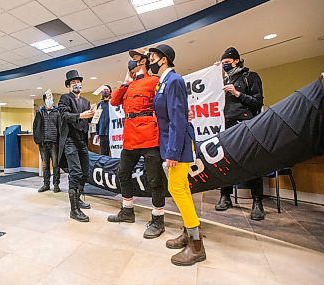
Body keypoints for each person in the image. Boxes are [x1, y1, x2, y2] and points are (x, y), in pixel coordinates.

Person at [150, 44, 206, 266]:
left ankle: (197, 245)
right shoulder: (163, 83)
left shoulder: (174, 81)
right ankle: (188, 231)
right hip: (171, 143)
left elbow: (177, 119)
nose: (150, 61)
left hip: (179, 145)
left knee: (176, 188)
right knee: (181, 188)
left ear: (163, 60)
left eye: (153, 57)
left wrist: (173, 151)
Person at [107, 49, 168, 239]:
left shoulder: (154, 81)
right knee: (122, 173)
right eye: (131, 61)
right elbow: (115, 101)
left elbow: (164, 104)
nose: (132, 63)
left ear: (145, 62)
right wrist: (126, 80)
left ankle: (158, 219)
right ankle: (127, 211)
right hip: (130, 136)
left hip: (149, 135)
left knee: (154, 179)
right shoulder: (129, 85)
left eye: (136, 60)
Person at [214, 47, 265, 221]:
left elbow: (258, 103)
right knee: (226, 162)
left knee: (252, 162)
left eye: (227, 63)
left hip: (246, 124)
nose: (225, 66)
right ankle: (225, 196)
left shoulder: (250, 77)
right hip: (228, 125)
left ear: (237, 60)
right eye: (223, 64)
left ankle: (257, 202)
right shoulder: (223, 79)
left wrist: (237, 93)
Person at [58, 70, 95, 222]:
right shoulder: (65, 98)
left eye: (78, 82)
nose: (76, 85)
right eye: (73, 83)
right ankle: (74, 210)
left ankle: (78, 199)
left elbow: (88, 121)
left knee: (85, 172)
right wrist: (81, 115)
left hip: (82, 141)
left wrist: (93, 115)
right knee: (75, 173)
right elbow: (65, 116)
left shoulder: (86, 101)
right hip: (70, 141)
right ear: (68, 86)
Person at [33, 94, 61, 193]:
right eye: (48, 99)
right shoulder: (40, 112)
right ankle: (46, 184)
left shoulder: (58, 112)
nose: (50, 100)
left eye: (51, 99)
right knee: (45, 165)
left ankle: (56, 185)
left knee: (56, 165)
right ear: (44, 100)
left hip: (54, 142)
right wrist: (37, 139)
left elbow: (60, 127)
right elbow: (35, 126)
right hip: (43, 143)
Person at [95, 85, 112, 156]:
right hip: (102, 133)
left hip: (112, 132)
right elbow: (96, 120)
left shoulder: (113, 103)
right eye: (104, 90)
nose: (105, 91)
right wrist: (97, 133)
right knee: (103, 153)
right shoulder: (99, 105)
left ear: (110, 92)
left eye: (107, 89)